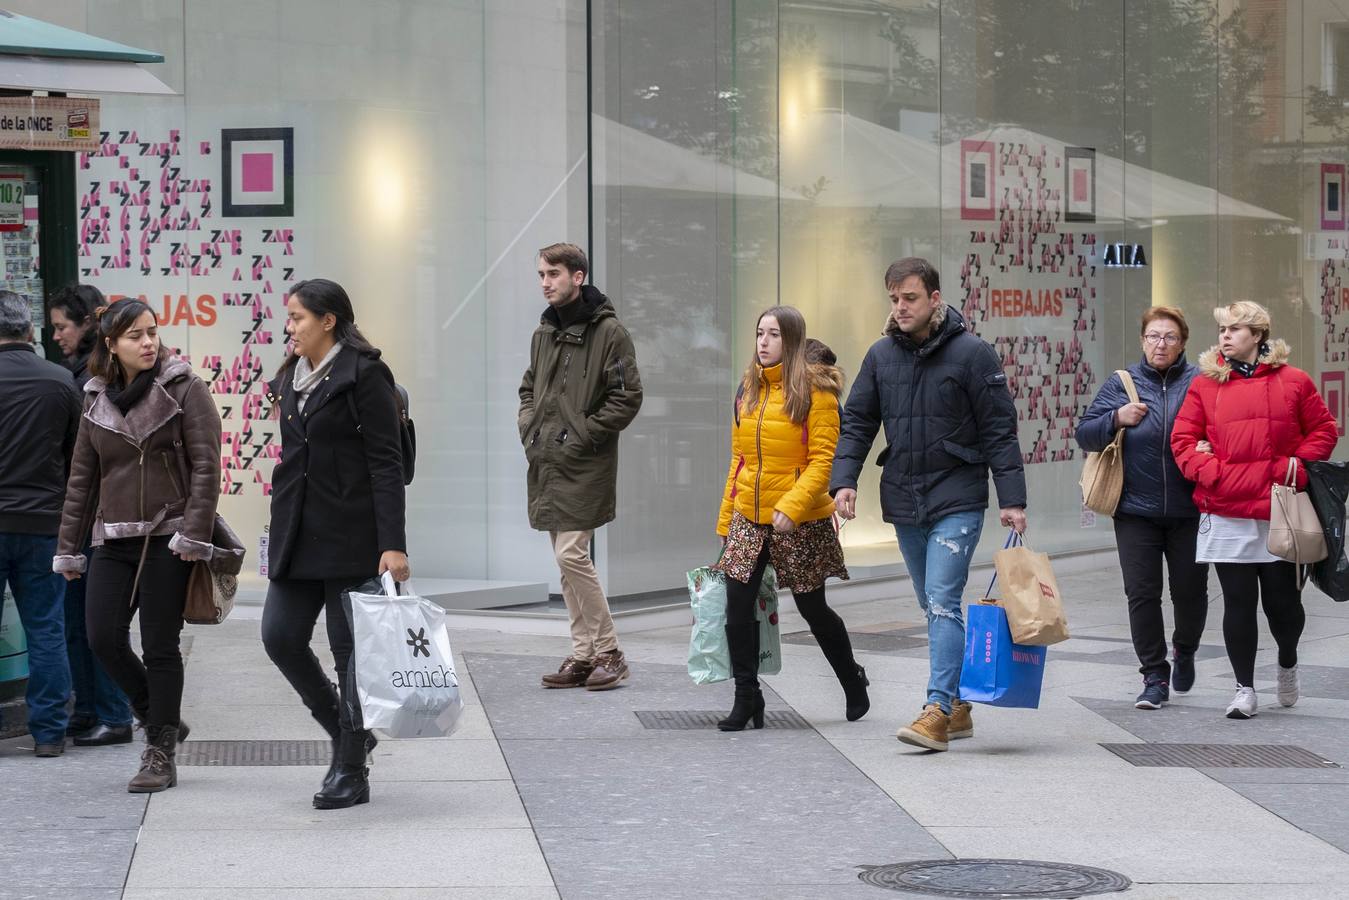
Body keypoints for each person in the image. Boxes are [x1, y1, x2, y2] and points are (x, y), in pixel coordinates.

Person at [831, 257, 1026, 753]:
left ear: (935, 299)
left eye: (910, 298)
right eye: (894, 299)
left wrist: (1012, 499)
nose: (900, 307)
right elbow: (857, 422)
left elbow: (999, 430)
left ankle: (937, 710)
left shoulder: (973, 354)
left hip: (957, 497)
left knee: (941, 601)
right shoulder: (880, 357)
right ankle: (960, 705)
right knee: (931, 605)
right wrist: (844, 481)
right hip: (904, 496)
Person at [53, 299, 222, 791]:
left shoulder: (185, 387)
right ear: (112, 344)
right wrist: (69, 547)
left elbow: (207, 465)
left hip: (168, 535)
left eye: (152, 332)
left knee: (160, 646)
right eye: (134, 336)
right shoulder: (95, 396)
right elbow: (82, 478)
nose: (148, 342)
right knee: (102, 636)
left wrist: (195, 532)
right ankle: (160, 714)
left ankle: (159, 752)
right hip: (114, 535)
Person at [262, 278, 408, 810]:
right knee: (280, 637)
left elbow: (386, 465)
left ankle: (350, 769)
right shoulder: (291, 377)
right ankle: (348, 730)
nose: (289, 326)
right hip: (298, 533)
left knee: (351, 655)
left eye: (298, 317)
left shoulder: (365, 375)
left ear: (328, 320)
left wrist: (392, 544)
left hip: (352, 535)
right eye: (289, 316)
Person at [1171, 301, 1337, 719]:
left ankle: (1286, 661)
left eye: (1234, 329)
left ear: (1258, 335)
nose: (1224, 336)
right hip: (1226, 508)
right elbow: (1183, 440)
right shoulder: (1205, 385)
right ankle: (1244, 688)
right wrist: (1209, 471)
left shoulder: (1293, 381)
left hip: (1279, 508)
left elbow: (1324, 430)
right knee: (1238, 603)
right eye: (1222, 329)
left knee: (1282, 605)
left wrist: (1292, 469)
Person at [715, 307, 867, 730]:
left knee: (811, 607)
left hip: (798, 518)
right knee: (736, 606)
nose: (763, 342)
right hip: (749, 513)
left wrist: (793, 505)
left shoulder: (815, 393)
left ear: (793, 341)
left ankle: (852, 678)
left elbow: (824, 462)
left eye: (774, 335)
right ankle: (747, 696)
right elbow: (739, 458)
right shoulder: (748, 390)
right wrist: (727, 519)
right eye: (759, 333)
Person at [520, 243, 643, 691]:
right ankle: (582, 654)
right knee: (566, 563)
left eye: (553, 273)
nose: (545, 282)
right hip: (547, 458)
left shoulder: (610, 333)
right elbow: (529, 388)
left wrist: (584, 434)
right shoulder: (544, 334)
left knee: (571, 554)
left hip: (585, 461)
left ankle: (609, 651)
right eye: (540, 274)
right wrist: (529, 429)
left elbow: (627, 396)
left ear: (578, 276)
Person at [1076, 307, 1209, 710]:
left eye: (1169, 337)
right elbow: (1085, 434)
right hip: (1135, 510)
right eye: (1153, 336)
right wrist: (1116, 418)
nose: (1160, 344)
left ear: (1183, 342)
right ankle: (1154, 674)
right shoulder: (1122, 384)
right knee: (1142, 594)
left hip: (1190, 510)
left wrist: (1211, 445)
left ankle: (1184, 649)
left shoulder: (1201, 383)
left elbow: (1225, 430)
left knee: (1190, 593)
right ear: (1142, 341)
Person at [48, 284, 134, 745]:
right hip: (86, 511)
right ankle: (90, 707)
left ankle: (114, 713)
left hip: (97, 515)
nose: (57, 334)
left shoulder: (94, 378)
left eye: (63, 325)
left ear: (87, 324)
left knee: (95, 618)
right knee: (77, 618)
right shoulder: (79, 373)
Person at [0, 291, 77, 757]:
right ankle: (48, 732)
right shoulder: (61, 381)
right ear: (30, 331)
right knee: (47, 627)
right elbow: (76, 460)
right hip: (44, 523)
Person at [48, 283, 105, 386]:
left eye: (61, 328)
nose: (55, 337)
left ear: (87, 323)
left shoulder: (93, 376)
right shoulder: (80, 365)